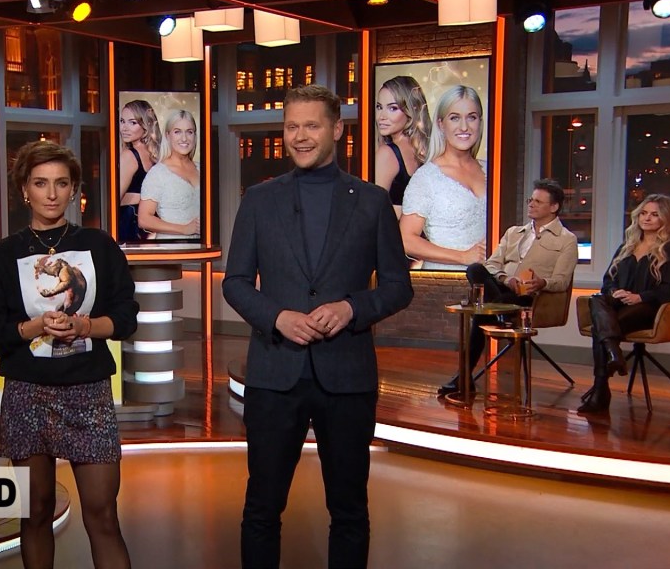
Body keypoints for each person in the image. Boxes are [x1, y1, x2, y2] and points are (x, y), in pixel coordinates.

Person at [223, 85, 413, 569]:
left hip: (346, 377)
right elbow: (236, 283)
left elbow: (398, 287)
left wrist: (352, 308)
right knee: (262, 508)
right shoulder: (260, 199)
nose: (300, 136)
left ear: (337, 130)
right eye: (291, 126)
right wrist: (276, 317)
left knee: (349, 511)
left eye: (311, 125)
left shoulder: (371, 202)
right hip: (274, 375)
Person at [0, 140, 137, 569]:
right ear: (24, 189)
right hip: (28, 394)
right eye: (41, 183)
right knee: (36, 513)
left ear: (74, 189)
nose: (51, 193)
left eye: (61, 183)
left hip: (89, 392)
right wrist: (34, 327)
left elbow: (126, 317)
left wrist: (84, 327)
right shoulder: (3, 256)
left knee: (103, 516)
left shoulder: (99, 246)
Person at [437, 179, 578, 395]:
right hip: (502, 289)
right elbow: (491, 264)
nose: (531, 204)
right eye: (530, 200)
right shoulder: (514, 232)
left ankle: (463, 377)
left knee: (482, 313)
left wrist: (542, 282)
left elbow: (562, 281)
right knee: (475, 269)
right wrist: (505, 278)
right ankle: (498, 314)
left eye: (538, 202)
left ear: (554, 207)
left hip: (529, 298)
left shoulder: (566, 240)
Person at [578, 194, 670, 414]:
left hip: (653, 309)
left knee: (601, 328)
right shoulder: (627, 246)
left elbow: (668, 290)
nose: (647, 218)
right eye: (643, 213)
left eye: (654, 214)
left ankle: (601, 389)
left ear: (666, 218)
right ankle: (613, 354)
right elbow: (608, 281)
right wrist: (615, 292)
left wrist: (639, 297)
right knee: (598, 300)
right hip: (620, 304)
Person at [399, 84, 487, 270]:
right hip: (445, 278)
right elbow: (406, 240)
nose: (464, 127)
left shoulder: (490, 170)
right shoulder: (426, 177)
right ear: (440, 124)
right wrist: (463, 257)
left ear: (480, 121)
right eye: (455, 118)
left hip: (489, 278)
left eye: (471, 117)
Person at [138, 109, 201, 239]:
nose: (184, 138)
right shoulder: (158, 173)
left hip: (200, 247)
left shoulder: (202, 169)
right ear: (167, 135)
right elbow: (144, 219)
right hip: (171, 247)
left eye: (189, 132)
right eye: (177, 132)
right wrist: (184, 229)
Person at [374, 75, 430, 218]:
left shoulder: (387, 154)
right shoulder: (427, 150)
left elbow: (375, 213)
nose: (381, 116)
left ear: (410, 111)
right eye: (379, 107)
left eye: (392, 108)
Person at [118, 100, 160, 242]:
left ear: (146, 125)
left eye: (132, 122)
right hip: (151, 226)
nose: (124, 128)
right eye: (122, 121)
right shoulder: (158, 155)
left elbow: (113, 199)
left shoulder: (129, 156)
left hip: (130, 223)